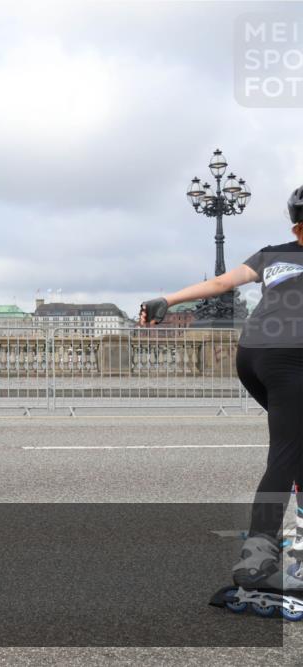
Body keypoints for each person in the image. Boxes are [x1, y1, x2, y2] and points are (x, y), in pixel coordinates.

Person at [141, 184, 303, 591]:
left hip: (253, 354)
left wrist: (167, 300)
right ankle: (258, 560)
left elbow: (221, 284)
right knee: (286, 455)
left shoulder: (271, 255)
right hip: (290, 358)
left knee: (296, 447)